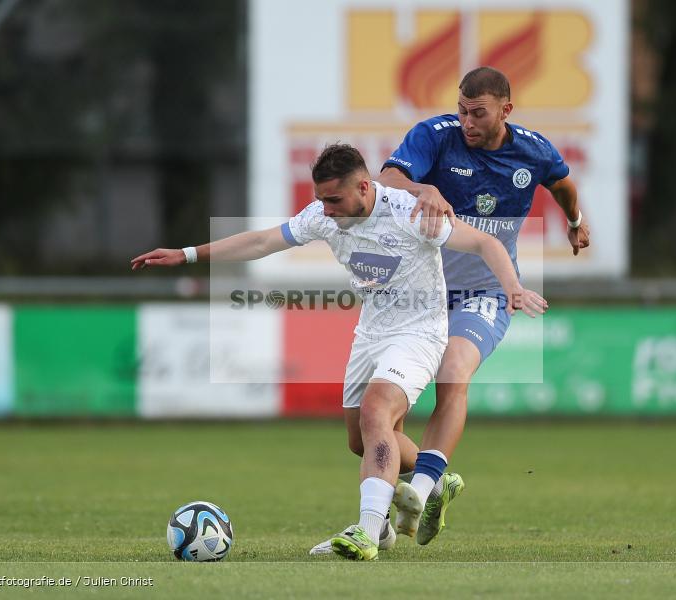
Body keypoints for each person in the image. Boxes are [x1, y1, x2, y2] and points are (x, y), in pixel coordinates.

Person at [131, 143, 547, 561]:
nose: (326, 210)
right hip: (370, 332)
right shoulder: (324, 217)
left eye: (334, 199)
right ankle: (435, 479)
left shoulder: (410, 214)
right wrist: (186, 254)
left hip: (420, 332)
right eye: (320, 200)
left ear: (365, 188)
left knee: (375, 412)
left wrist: (512, 287)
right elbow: (261, 241)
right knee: (361, 441)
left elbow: (485, 244)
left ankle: (368, 533)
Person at [374, 66, 591, 545]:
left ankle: (423, 488)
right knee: (382, 414)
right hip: (418, 294)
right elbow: (388, 177)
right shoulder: (435, 135)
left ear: (505, 110)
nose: (467, 121)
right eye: (462, 110)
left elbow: (562, 184)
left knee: (454, 369)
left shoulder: (533, 150)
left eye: (478, 112)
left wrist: (575, 220)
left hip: (485, 293)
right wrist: (421, 187)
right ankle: (398, 508)